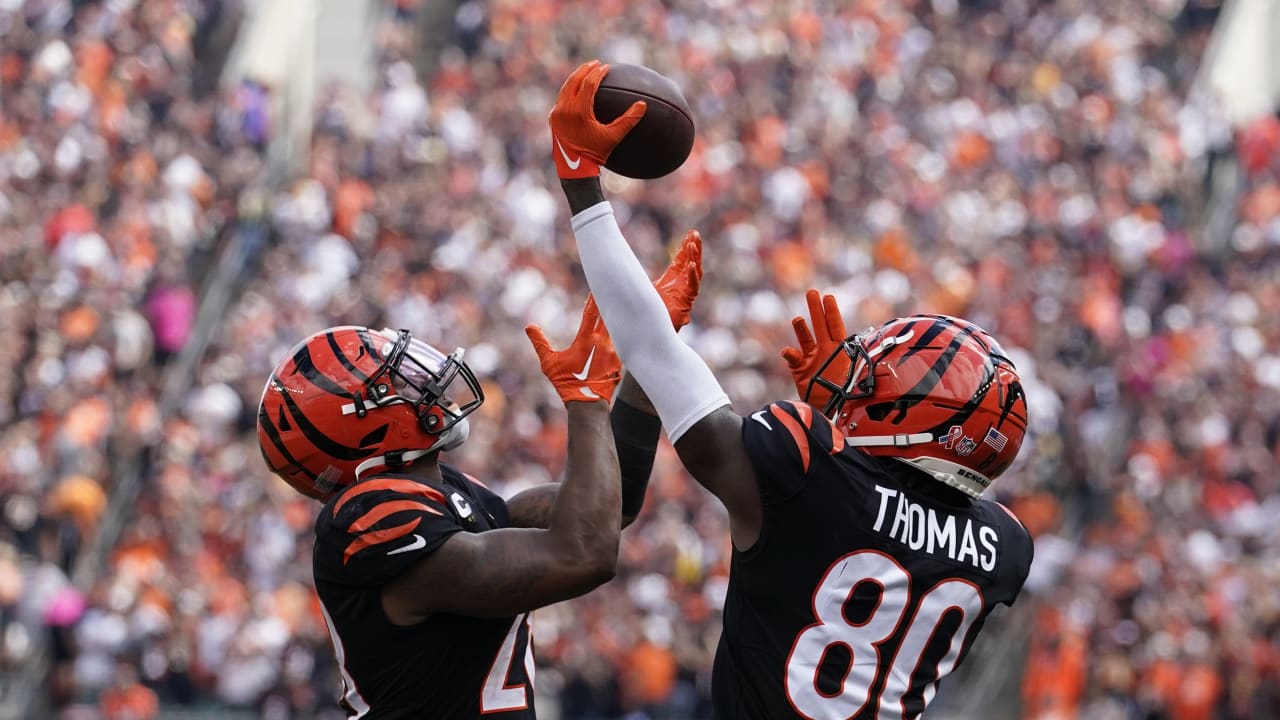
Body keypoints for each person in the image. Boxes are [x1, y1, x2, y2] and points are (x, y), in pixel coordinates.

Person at [547, 60, 1035, 720]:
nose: (861, 382)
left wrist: (582, 187)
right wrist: (849, 416)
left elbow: (655, 352)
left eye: (879, 379)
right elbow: (891, 514)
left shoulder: (806, 466)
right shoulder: (1004, 548)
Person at [253, 245, 701, 718]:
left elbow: (613, 508)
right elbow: (584, 554)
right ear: (360, 428)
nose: (420, 382)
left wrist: (652, 351)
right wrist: (586, 401)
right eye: (395, 382)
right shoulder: (369, 516)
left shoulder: (443, 488)